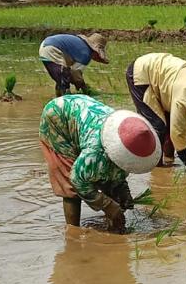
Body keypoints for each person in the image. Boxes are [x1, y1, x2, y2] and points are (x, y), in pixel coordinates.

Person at [38, 94, 161, 231]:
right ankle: (72, 232)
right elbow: (77, 180)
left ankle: (113, 224)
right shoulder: (95, 152)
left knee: (108, 178)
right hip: (58, 118)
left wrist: (123, 192)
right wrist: (108, 205)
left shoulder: (128, 141)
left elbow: (117, 174)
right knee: (70, 187)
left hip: (84, 115)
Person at [37, 32, 109, 97]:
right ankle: (66, 99)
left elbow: (71, 72)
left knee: (61, 78)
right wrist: (83, 86)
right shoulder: (86, 53)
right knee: (64, 79)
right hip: (52, 49)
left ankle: (59, 97)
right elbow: (75, 72)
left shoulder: (80, 44)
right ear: (95, 52)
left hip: (45, 46)